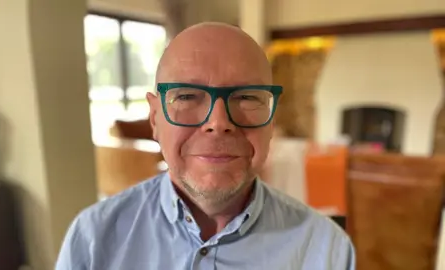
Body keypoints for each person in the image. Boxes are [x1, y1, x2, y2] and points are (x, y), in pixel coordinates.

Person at [56, 22, 355, 270]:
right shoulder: (92, 240)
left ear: (272, 121)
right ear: (155, 117)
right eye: (186, 96)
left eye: (247, 97)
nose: (218, 121)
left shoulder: (327, 249)